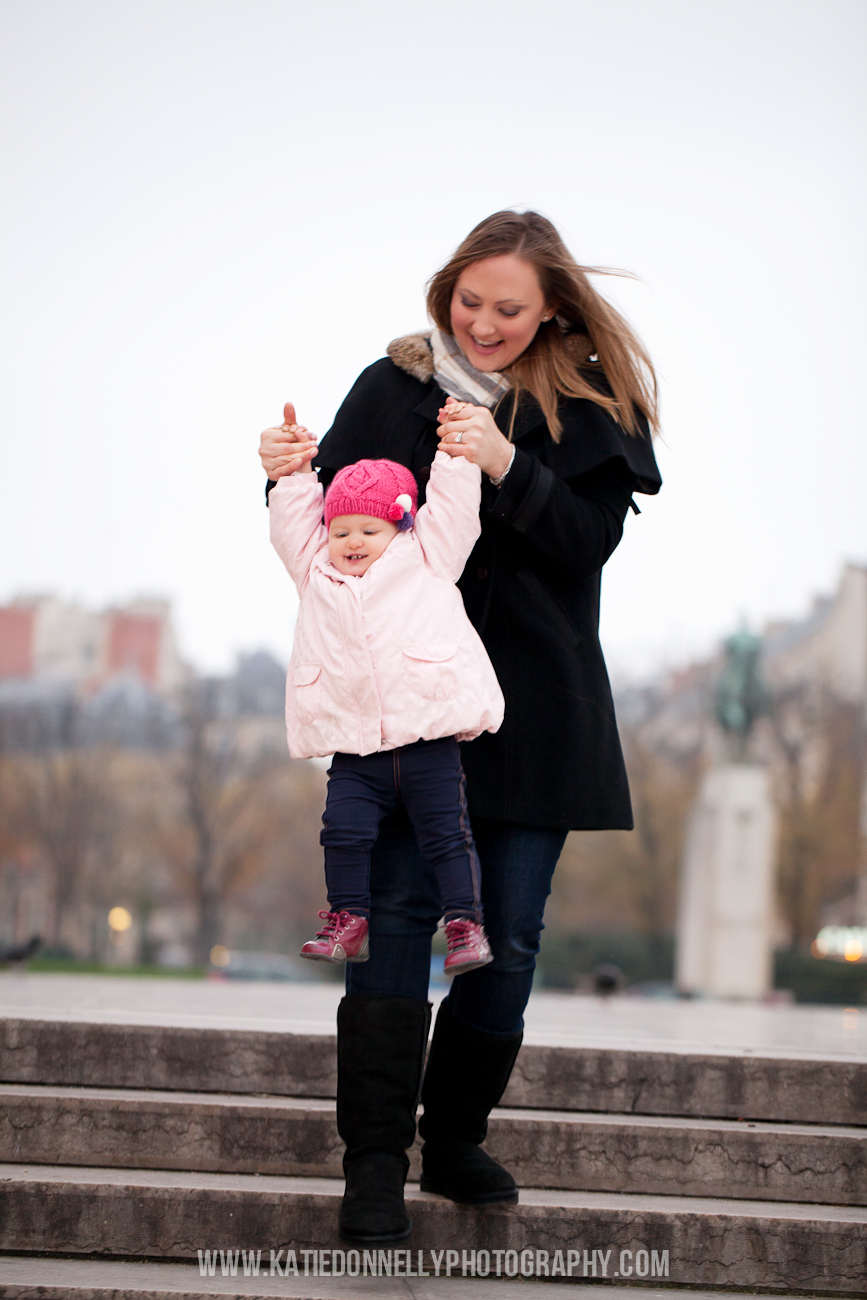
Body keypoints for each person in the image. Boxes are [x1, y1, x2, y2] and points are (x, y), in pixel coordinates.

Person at [258, 210, 662, 1244]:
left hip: (533, 712)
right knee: (392, 917)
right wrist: (279, 468)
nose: (482, 322)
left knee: (509, 938)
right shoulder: (393, 386)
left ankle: (457, 1135)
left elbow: (584, 547)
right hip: (401, 712)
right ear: (447, 291)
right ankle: (377, 1164)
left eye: (508, 308)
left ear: (553, 308)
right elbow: (323, 524)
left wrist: (505, 465)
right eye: (468, 300)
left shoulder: (591, 407)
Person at [268, 450, 504, 975]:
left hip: (426, 744)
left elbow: (458, 510)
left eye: (368, 531)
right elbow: (290, 529)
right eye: (341, 530)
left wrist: (457, 455)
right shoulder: (315, 572)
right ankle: (347, 919)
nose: (352, 541)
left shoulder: (428, 557)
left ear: (398, 526)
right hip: (357, 750)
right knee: (342, 831)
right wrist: (292, 475)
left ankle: (466, 923)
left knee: (447, 834)